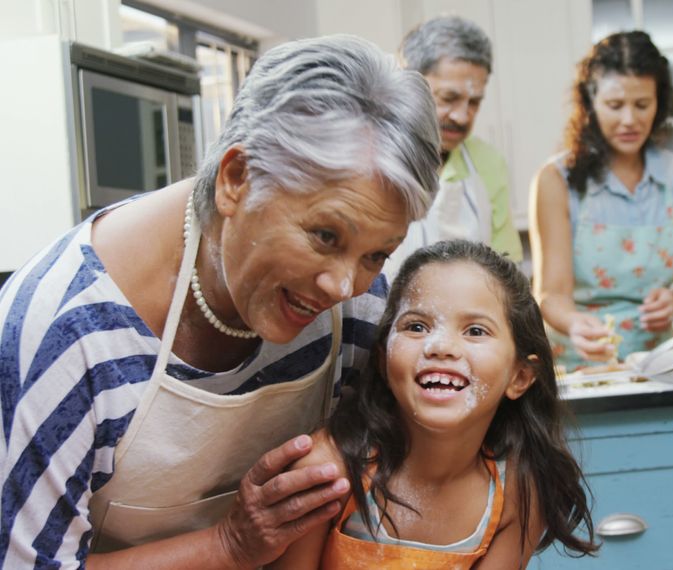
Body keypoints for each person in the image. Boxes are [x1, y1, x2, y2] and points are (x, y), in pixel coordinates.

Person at [0, 35, 442, 568]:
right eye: (324, 236)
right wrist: (227, 546)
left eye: (377, 254)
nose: (342, 286)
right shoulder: (67, 330)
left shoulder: (359, 305)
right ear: (236, 179)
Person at [268, 240, 598, 569]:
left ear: (520, 376)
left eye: (475, 331)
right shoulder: (328, 469)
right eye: (416, 326)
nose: (440, 346)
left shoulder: (520, 489)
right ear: (383, 360)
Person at [530, 31, 673, 371]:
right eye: (615, 106)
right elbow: (551, 294)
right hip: (580, 363)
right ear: (590, 103)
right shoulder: (556, 180)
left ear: (660, 103)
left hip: (659, 364)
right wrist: (575, 325)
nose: (630, 120)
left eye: (642, 105)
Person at [384, 15, 523, 280]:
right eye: (449, 98)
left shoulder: (488, 162)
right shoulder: (376, 155)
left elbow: (508, 273)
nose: (462, 116)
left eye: (474, 102)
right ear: (409, 85)